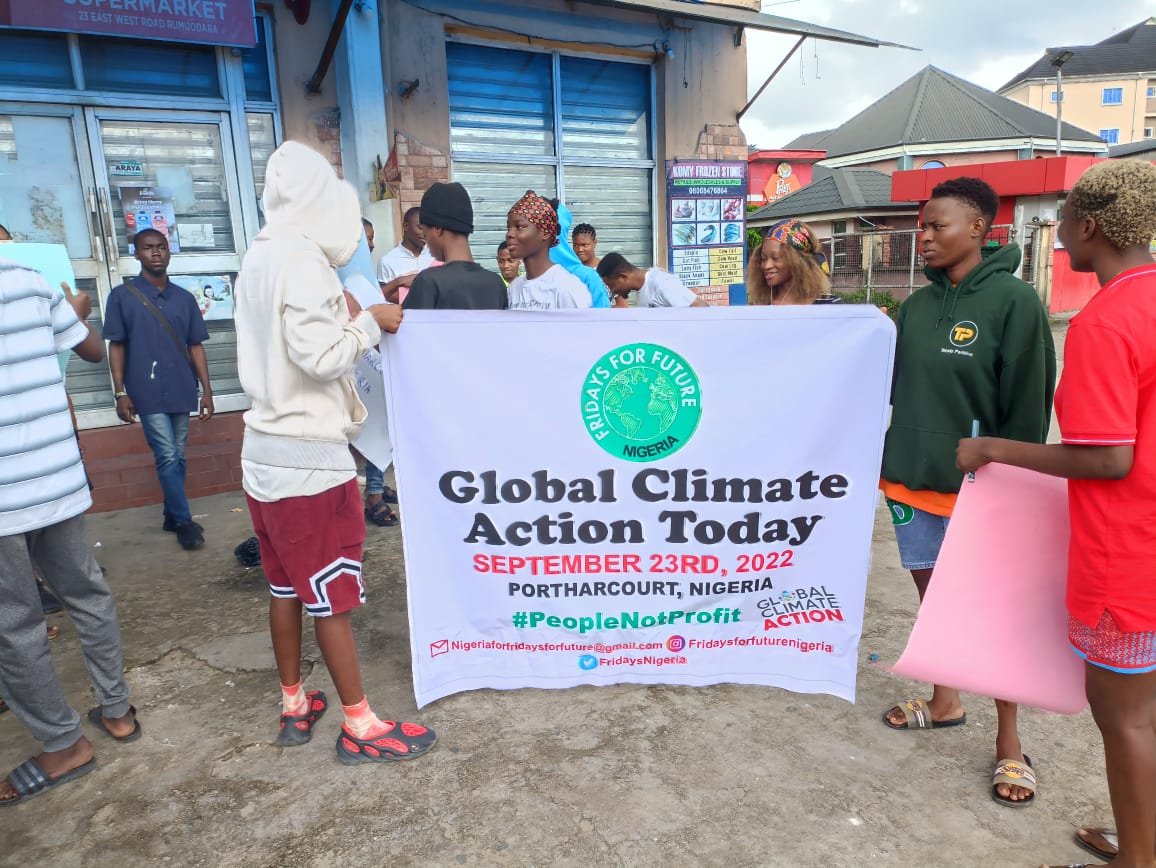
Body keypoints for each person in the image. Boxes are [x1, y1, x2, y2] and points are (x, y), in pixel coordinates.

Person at [956, 160, 1156, 867]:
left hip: (1127, 558)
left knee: (1126, 719)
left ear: (1091, 226)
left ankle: (1137, 858)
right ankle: (1142, 837)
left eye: (1062, 219)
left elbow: (1107, 459)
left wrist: (995, 450)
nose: (1057, 230)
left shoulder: (1108, 319)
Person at [235, 141, 436, 764]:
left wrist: (348, 317)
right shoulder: (302, 261)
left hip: (262, 453)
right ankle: (361, 724)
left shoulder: (260, 254)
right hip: (307, 458)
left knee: (286, 589)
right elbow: (320, 357)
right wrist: (371, 321)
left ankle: (295, 704)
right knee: (331, 593)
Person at [879, 177, 1055, 808]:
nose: (923, 237)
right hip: (910, 480)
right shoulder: (916, 308)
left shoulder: (1015, 303)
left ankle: (1010, 743)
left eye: (937, 226)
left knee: (994, 615)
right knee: (936, 605)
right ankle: (946, 700)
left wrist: (1015, 491)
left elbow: (1029, 411)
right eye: (921, 226)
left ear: (980, 227)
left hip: (983, 494)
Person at [0, 257, 140, 806]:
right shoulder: (28, 278)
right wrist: (76, 313)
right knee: (86, 594)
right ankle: (118, 710)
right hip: (55, 478)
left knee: (16, 624)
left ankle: (63, 745)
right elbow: (88, 349)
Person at [103, 229, 213, 551]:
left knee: (177, 455)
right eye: (148, 248)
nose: (155, 253)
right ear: (136, 254)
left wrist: (207, 391)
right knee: (167, 454)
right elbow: (116, 345)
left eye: (161, 247)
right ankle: (183, 521)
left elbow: (196, 346)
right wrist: (120, 392)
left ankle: (169, 513)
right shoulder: (121, 297)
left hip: (181, 386)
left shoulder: (184, 299)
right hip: (146, 391)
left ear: (169, 252)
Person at [405, 182, 507, 311]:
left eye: (426, 234)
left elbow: (410, 328)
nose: (427, 244)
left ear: (437, 229)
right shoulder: (496, 283)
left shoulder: (428, 282)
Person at [505, 191, 592, 311]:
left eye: (520, 227)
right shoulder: (514, 288)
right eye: (509, 227)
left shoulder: (567, 288)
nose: (509, 234)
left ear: (545, 233)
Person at [747, 219, 839, 305]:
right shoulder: (759, 305)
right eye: (763, 258)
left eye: (775, 258)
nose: (766, 266)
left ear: (797, 260)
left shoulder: (830, 305)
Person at [597, 253, 707, 308]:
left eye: (612, 286)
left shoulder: (662, 283)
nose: (613, 291)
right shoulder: (641, 292)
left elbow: (700, 307)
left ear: (622, 276)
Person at [377, 206, 434, 303]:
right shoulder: (387, 261)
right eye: (420, 228)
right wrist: (402, 281)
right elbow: (382, 296)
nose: (425, 233)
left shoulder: (435, 256)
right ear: (406, 226)